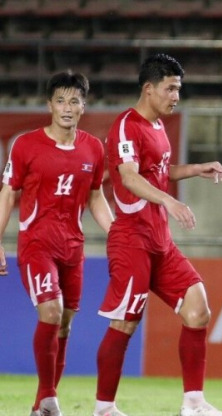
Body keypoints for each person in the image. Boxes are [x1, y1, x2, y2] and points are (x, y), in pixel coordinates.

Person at [93, 53, 222, 416]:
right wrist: (169, 201)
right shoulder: (127, 124)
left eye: (179, 89)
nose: (176, 96)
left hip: (160, 241)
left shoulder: (157, 128)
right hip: (132, 238)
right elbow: (129, 176)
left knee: (198, 308)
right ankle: (104, 408)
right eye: (171, 89)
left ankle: (194, 404)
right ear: (149, 88)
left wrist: (196, 169)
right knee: (125, 321)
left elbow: (159, 171)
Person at [0, 71, 114, 416]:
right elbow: (8, 194)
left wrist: (118, 234)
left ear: (84, 106)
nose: (67, 107)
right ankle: (49, 397)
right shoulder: (25, 144)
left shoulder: (94, 148)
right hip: (36, 244)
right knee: (49, 310)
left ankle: (41, 404)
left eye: (74, 100)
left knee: (64, 322)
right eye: (61, 100)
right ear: (49, 105)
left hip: (72, 248)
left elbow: (96, 198)